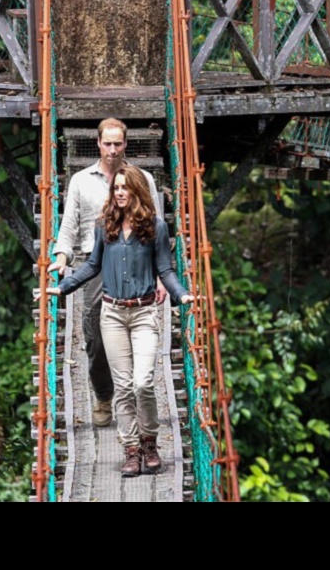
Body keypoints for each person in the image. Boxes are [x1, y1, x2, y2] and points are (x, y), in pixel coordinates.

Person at [44, 166, 194, 479]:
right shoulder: (104, 226)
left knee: (143, 382)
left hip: (143, 313)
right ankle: (131, 450)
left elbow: (165, 271)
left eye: (125, 188)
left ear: (138, 190)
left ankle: (150, 442)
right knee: (124, 387)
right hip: (111, 314)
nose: (120, 193)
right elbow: (92, 266)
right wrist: (62, 286)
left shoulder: (155, 227)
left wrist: (182, 296)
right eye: (116, 188)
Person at [49, 119, 164, 429]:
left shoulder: (143, 180)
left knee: (140, 335)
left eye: (118, 144)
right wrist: (62, 257)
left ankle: (139, 403)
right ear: (98, 144)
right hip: (96, 262)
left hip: (138, 260)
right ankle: (103, 394)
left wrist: (159, 277)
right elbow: (69, 224)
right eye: (107, 143)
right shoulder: (80, 181)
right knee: (94, 338)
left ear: (125, 144)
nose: (112, 150)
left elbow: (157, 228)